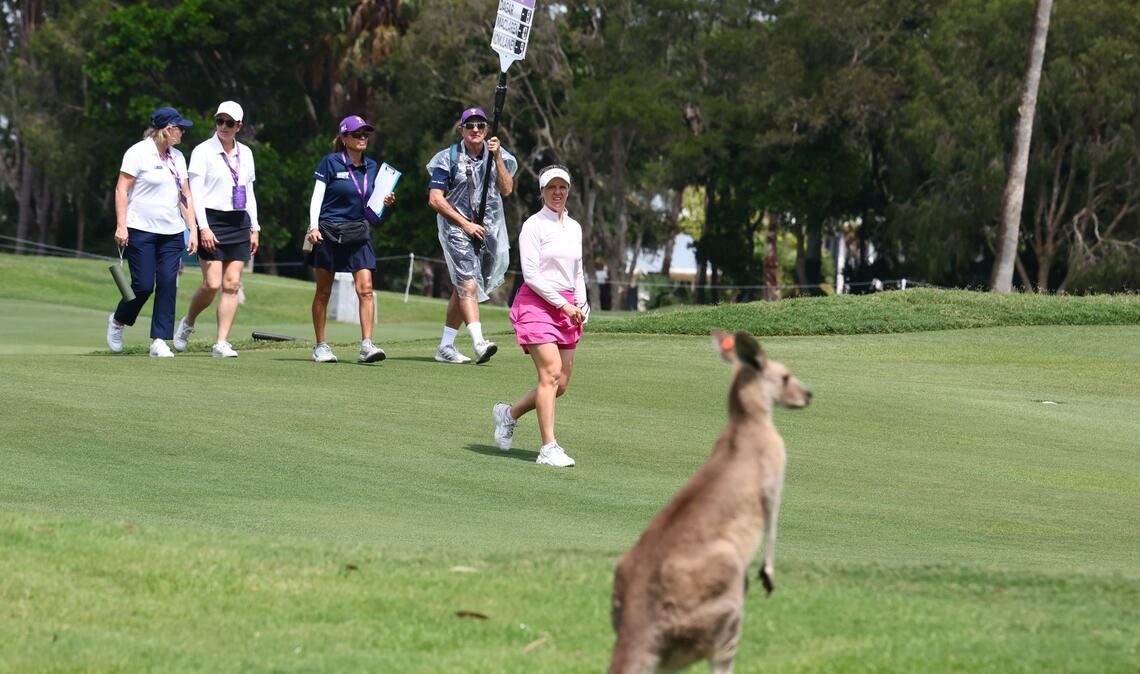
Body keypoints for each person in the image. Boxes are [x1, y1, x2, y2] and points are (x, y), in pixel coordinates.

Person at [492, 165, 588, 468]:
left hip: (568, 306)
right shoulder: (534, 225)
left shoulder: (574, 227)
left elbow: (578, 270)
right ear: (542, 192)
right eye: (551, 188)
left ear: (568, 190)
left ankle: (508, 414)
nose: (557, 193)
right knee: (549, 373)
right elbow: (532, 275)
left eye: (562, 187)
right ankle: (548, 448)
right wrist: (563, 305)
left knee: (560, 384)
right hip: (537, 304)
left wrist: (582, 305)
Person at [426, 106, 517, 365]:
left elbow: (507, 189)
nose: (475, 130)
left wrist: (497, 156)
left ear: (487, 129)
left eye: (480, 125)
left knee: (463, 284)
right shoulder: (448, 158)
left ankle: (445, 346)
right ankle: (479, 342)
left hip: (486, 229)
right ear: (461, 130)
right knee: (468, 284)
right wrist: (464, 224)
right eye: (470, 126)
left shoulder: (496, 154)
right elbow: (435, 199)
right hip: (457, 228)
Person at [106, 106, 199, 357]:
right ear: (167, 129)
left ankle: (159, 340)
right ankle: (118, 320)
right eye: (179, 128)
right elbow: (121, 190)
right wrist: (121, 225)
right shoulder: (138, 153)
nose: (182, 132)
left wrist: (193, 228)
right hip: (140, 229)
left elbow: (185, 195)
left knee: (169, 283)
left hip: (171, 231)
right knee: (144, 285)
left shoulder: (178, 157)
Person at [305, 114, 396, 364]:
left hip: (358, 232)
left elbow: (372, 204)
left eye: (365, 134)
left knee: (366, 288)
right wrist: (313, 227)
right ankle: (321, 346)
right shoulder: (330, 162)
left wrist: (384, 202)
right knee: (323, 291)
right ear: (344, 138)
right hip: (328, 232)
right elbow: (317, 197)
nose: (362, 138)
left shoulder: (373, 167)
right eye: (357, 134)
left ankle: (366, 345)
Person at [174, 101, 259, 358]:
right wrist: (203, 228)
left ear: (239, 126)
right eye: (220, 121)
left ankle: (221, 342)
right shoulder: (202, 151)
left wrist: (255, 227)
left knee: (232, 284)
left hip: (238, 221)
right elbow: (195, 194)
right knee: (212, 284)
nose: (223, 126)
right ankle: (188, 322)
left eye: (229, 123)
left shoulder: (246, 153)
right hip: (210, 219)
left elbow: (250, 192)